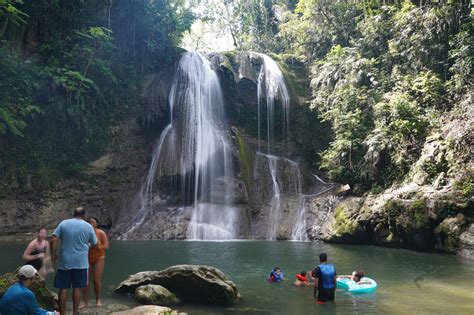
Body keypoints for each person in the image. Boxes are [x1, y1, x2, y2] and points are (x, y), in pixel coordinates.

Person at [51, 207, 97, 315]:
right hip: (81, 262)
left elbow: (53, 239)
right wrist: (87, 244)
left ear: (74, 214)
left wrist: (53, 254)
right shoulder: (88, 226)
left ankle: (62, 313)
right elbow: (94, 243)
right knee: (77, 288)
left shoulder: (63, 223)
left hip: (64, 261)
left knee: (63, 288)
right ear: (84, 215)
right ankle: (75, 313)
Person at [81, 217, 109, 308]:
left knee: (96, 280)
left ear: (96, 223)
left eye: (93, 222)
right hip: (86, 258)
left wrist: (98, 247)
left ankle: (98, 300)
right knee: (85, 281)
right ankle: (85, 302)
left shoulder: (101, 233)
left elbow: (106, 246)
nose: (91, 224)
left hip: (99, 258)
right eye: (89, 222)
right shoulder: (84, 233)